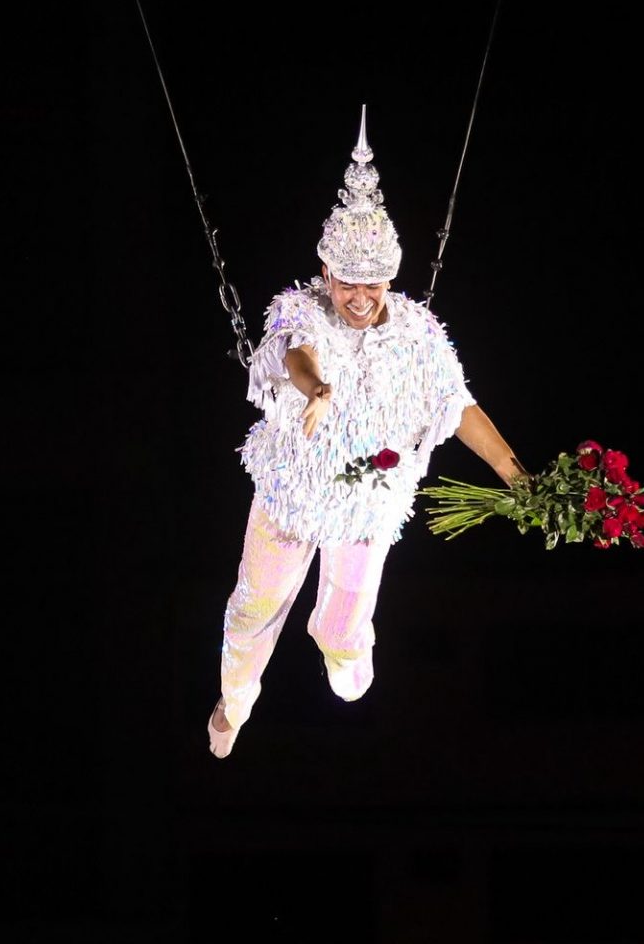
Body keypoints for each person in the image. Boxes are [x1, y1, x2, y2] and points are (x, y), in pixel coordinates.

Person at [207, 106, 524, 758]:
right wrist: (316, 388)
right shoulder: (298, 311)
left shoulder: (418, 334)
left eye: (372, 284)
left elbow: (457, 404)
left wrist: (513, 472)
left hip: (367, 501)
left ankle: (344, 651)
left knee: (343, 630)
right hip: (290, 491)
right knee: (255, 606)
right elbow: (295, 353)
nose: (358, 297)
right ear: (326, 274)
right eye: (347, 282)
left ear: (391, 278)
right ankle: (235, 699)